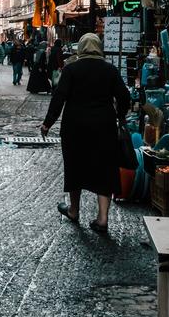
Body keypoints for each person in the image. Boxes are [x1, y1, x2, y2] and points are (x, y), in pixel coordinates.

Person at [40, 33, 130, 234]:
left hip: (75, 126)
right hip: (104, 126)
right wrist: (121, 116)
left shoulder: (72, 68)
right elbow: (124, 96)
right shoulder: (110, 70)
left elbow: (59, 98)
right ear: (99, 48)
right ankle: (103, 218)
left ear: (80, 48)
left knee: (75, 165)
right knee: (105, 168)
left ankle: (74, 210)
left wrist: (47, 124)